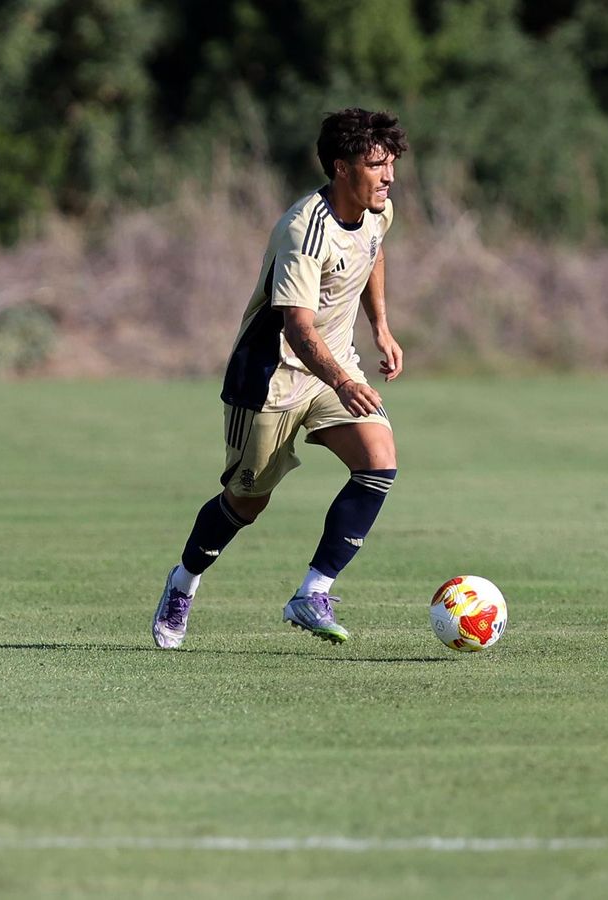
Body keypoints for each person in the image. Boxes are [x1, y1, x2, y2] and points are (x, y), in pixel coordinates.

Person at [151, 108, 408, 649]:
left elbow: (373, 253)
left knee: (379, 461)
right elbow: (296, 326)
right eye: (375, 166)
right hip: (270, 377)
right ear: (341, 167)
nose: (388, 178)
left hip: (331, 370)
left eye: (391, 166)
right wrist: (342, 381)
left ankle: (312, 592)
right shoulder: (304, 229)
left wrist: (380, 326)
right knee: (246, 503)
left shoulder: (377, 211)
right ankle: (183, 581)